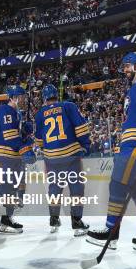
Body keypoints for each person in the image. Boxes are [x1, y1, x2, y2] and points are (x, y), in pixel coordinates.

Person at [86, 52, 136, 250]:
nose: (124, 70)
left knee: (117, 186)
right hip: (133, 145)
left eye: (128, 66)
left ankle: (110, 233)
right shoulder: (133, 89)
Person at [34, 84, 90, 236]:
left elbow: (39, 142)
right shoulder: (68, 106)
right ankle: (77, 223)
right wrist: (85, 145)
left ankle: (54, 219)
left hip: (52, 158)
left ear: (44, 99)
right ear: (56, 95)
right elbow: (80, 127)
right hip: (71, 154)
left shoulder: (39, 114)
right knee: (76, 188)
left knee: (54, 188)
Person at [0, 85, 34, 234]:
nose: (24, 99)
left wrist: (26, 133)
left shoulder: (16, 113)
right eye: (21, 96)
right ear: (13, 97)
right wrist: (25, 148)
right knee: (4, 187)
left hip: (12, 155)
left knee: (11, 188)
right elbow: (10, 137)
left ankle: (6, 219)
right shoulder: (6, 110)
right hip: (3, 153)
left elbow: (17, 137)